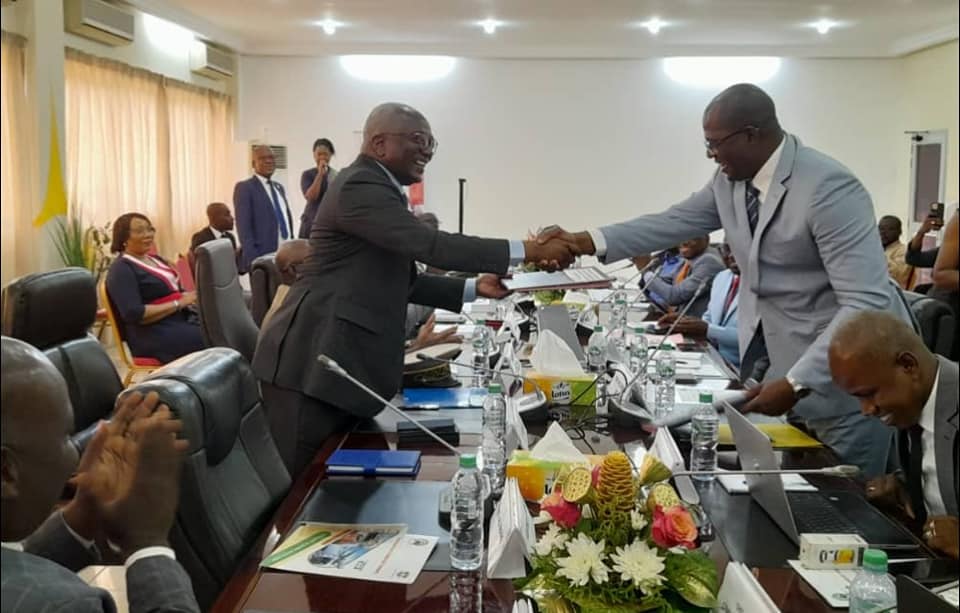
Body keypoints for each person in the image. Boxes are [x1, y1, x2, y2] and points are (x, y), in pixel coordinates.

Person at [537, 83, 912, 477]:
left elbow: (865, 302)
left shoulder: (828, 187)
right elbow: (673, 221)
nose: (711, 155)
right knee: (784, 499)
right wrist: (583, 241)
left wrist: (797, 382)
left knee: (845, 503)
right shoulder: (730, 182)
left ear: (751, 134)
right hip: (780, 380)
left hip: (847, 391)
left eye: (715, 144)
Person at [252, 102, 578, 475]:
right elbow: (430, 245)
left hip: (339, 365)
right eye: (418, 140)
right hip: (310, 365)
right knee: (306, 488)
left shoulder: (380, 188)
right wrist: (529, 250)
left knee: (339, 482)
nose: (427, 152)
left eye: (431, 144)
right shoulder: (360, 186)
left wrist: (474, 287)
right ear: (379, 144)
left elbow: (401, 279)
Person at [1, 336, 199, 611]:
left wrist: (84, 511)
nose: (75, 458)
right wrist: (147, 542)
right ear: (5, 472)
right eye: (66, 436)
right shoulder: (64, 605)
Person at [829, 311, 958, 559]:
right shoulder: (911, 410)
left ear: (908, 365)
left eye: (870, 394)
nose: (866, 410)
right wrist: (905, 490)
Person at [105, 213, 205, 363]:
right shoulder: (121, 269)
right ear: (124, 237)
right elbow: (134, 313)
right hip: (152, 333)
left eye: (150, 229)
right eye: (140, 231)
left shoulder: (155, 259)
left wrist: (191, 297)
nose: (148, 235)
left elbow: (174, 291)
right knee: (213, 337)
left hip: (179, 320)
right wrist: (178, 303)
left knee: (224, 328)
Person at [658, 242, 741, 368]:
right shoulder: (723, 277)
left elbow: (752, 339)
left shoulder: (765, 287)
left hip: (739, 368)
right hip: (709, 357)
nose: (731, 255)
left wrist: (707, 329)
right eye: (727, 249)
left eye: (737, 249)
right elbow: (709, 317)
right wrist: (686, 322)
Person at [234, 145, 294, 272]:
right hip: (263, 258)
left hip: (286, 256)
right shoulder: (245, 188)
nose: (268, 161)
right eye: (262, 158)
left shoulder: (279, 187)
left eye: (271, 157)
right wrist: (254, 261)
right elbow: (244, 229)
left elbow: (286, 220)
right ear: (253, 164)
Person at [642, 236, 724, 317]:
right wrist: (648, 267)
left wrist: (645, 270)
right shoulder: (688, 259)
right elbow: (666, 283)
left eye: (691, 236)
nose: (684, 242)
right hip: (679, 320)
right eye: (682, 236)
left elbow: (674, 296)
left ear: (706, 239)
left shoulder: (709, 261)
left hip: (699, 323)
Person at [299, 138, 339, 239]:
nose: (322, 157)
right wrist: (320, 174)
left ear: (331, 155)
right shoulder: (307, 174)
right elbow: (311, 197)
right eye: (319, 154)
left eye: (325, 154)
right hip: (311, 224)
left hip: (329, 224)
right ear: (314, 154)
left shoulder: (336, 175)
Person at [188, 202, 238, 275]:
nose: (232, 218)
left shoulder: (230, 237)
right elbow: (200, 270)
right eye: (227, 215)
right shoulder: (200, 238)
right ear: (215, 218)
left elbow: (234, 265)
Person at [878, 215, 913, 289]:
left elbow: (896, 275)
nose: (883, 232)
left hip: (892, 292)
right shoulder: (876, 248)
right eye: (881, 228)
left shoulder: (904, 250)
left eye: (890, 229)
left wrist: (878, 254)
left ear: (899, 232)